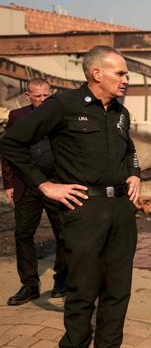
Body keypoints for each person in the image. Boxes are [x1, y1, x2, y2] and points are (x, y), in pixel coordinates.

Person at [0, 45, 141, 347]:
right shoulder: (63, 105)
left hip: (121, 210)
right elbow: (12, 143)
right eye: (120, 73)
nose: (126, 79)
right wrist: (45, 185)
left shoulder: (121, 112)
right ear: (96, 73)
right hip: (84, 209)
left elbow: (130, 151)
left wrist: (135, 173)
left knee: (118, 289)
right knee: (82, 289)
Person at [1, 78, 68, 305]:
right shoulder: (17, 116)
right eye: (37, 96)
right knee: (23, 235)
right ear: (28, 96)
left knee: (64, 233)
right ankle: (29, 285)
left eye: (45, 96)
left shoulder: (60, 115)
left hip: (55, 184)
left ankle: (62, 280)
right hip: (26, 184)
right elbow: (7, 150)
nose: (42, 100)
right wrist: (8, 183)